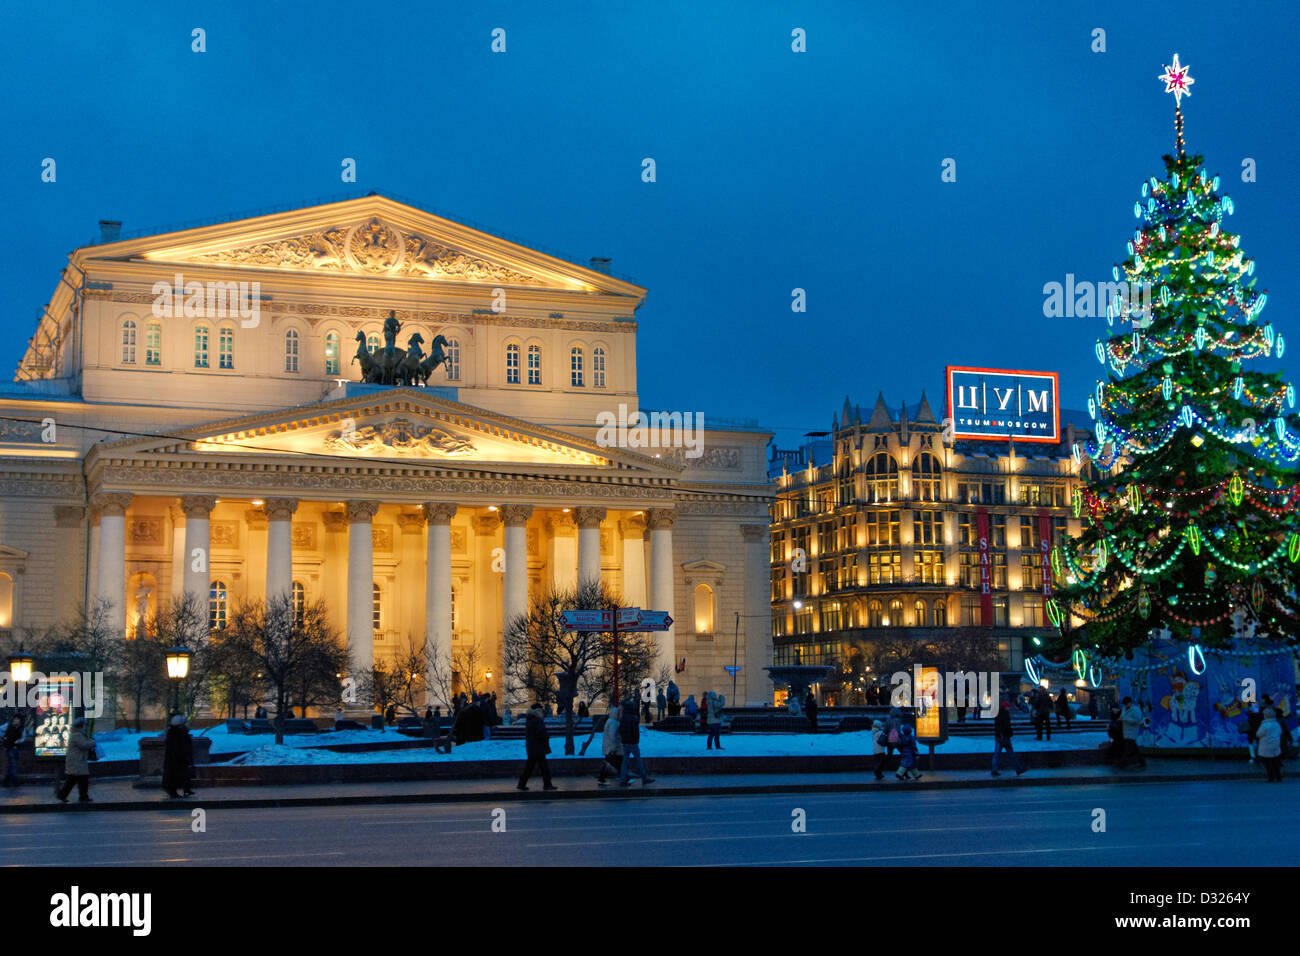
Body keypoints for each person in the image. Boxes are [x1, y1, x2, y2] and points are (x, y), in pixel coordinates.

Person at [517, 703, 557, 791]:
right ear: (538, 711)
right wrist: (546, 736)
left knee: (529, 767)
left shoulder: (530, 719)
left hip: (532, 748)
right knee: (544, 768)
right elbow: (541, 732)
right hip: (538, 748)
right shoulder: (537, 720)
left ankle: (521, 784)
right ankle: (547, 784)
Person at [56, 717, 94, 803]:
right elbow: (84, 745)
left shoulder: (77, 734)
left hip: (77, 762)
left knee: (74, 780)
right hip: (77, 762)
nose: (86, 727)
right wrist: (93, 742)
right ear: (81, 726)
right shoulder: (77, 735)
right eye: (85, 725)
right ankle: (82, 797)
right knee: (80, 780)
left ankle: (64, 795)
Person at [618, 697, 653, 786]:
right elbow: (635, 731)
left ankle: (622, 780)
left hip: (625, 742)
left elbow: (620, 730)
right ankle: (644, 778)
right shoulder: (634, 718)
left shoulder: (622, 718)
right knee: (638, 760)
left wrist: (623, 738)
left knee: (624, 762)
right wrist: (636, 740)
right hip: (633, 743)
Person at [162, 714, 195, 798]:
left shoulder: (176, 733)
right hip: (177, 759)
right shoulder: (178, 734)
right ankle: (174, 791)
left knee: (183, 774)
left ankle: (186, 788)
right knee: (175, 775)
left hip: (178, 759)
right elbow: (180, 747)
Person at [991, 701, 1026, 776]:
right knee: (1011, 754)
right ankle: (1018, 769)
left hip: (1000, 737)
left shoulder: (998, 714)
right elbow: (1006, 726)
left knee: (997, 754)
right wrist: (1008, 733)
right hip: (1004, 737)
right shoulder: (1005, 715)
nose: (1009, 708)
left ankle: (994, 769)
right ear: (1005, 707)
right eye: (1008, 707)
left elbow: (998, 726)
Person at [1256, 707, 1284, 782]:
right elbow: (1280, 732)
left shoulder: (1265, 725)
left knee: (1268, 764)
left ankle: (1271, 777)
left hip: (1266, 747)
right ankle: (1278, 777)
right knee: (1276, 763)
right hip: (1275, 746)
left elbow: (1258, 734)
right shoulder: (1276, 724)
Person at [597, 707, 623, 785]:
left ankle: (624, 777)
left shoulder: (610, 721)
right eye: (618, 713)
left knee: (615, 763)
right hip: (611, 748)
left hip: (609, 747)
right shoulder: (613, 722)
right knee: (611, 763)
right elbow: (613, 736)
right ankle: (602, 778)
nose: (619, 715)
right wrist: (613, 747)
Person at [1119, 696, 1146, 769]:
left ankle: (1122, 763)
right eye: (1124, 704)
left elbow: (1137, 720)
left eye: (1126, 704)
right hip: (1126, 731)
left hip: (1132, 731)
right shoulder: (1124, 709)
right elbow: (1122, 716)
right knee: (1134, 748)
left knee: (1128, 748)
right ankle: (1142, 762)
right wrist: (1121, 719)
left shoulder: (1136, 710)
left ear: (1130, 703)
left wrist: (1125, 719)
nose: (1125, 705)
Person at [2, 713, 25, 787]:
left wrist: (20, 741)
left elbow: (22, 737)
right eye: (15, 719)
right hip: (10, 748)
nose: (16, 721)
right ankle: (15, 781)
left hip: (15, 748)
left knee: (11, 766)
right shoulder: (9, 726)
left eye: (17, 720)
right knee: (13, 765)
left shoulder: (20, 728)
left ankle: (6, 781)